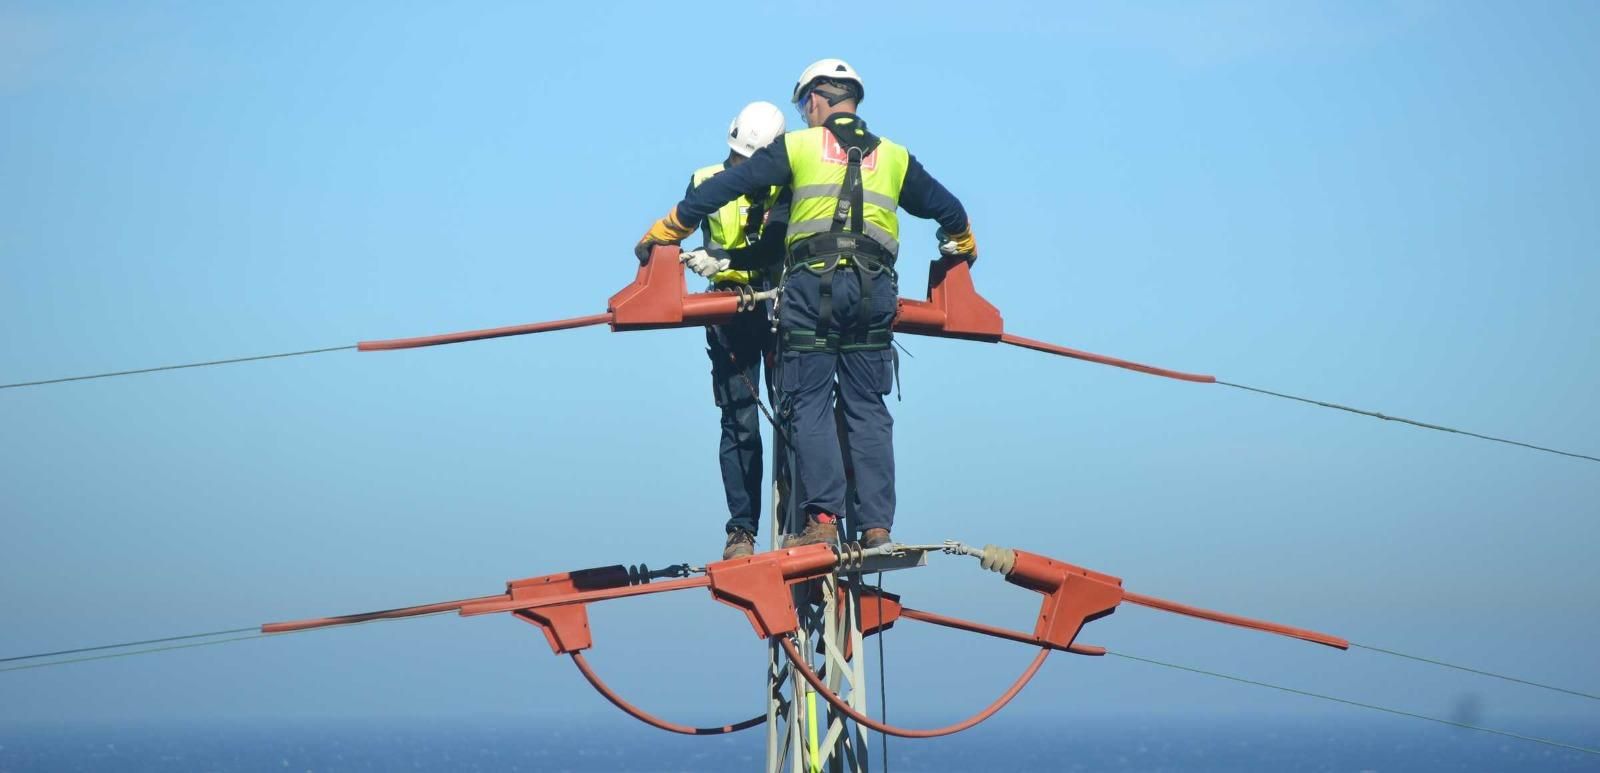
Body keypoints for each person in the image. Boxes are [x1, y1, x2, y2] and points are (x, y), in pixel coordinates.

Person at [635, 59, 977, 551]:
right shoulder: (897, 157)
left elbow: (727, 187)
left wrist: (668, 229)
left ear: (817, 98)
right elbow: (951, 212)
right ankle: (876, 528)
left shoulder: (799, 147)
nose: (804, 114)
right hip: (875, 291)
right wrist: (961, 244)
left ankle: (821, 520)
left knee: (809, 402)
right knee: (867, 407)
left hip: (813, 290)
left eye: (803, 105)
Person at [678, 101, 790, 561]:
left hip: (780, 306)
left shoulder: (786, 185)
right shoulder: (705, 181)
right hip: (729, 311)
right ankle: (742, 530)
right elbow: (675, 230)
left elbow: (781, 244)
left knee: (796, 418)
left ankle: (803, 520)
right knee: (740, 421)